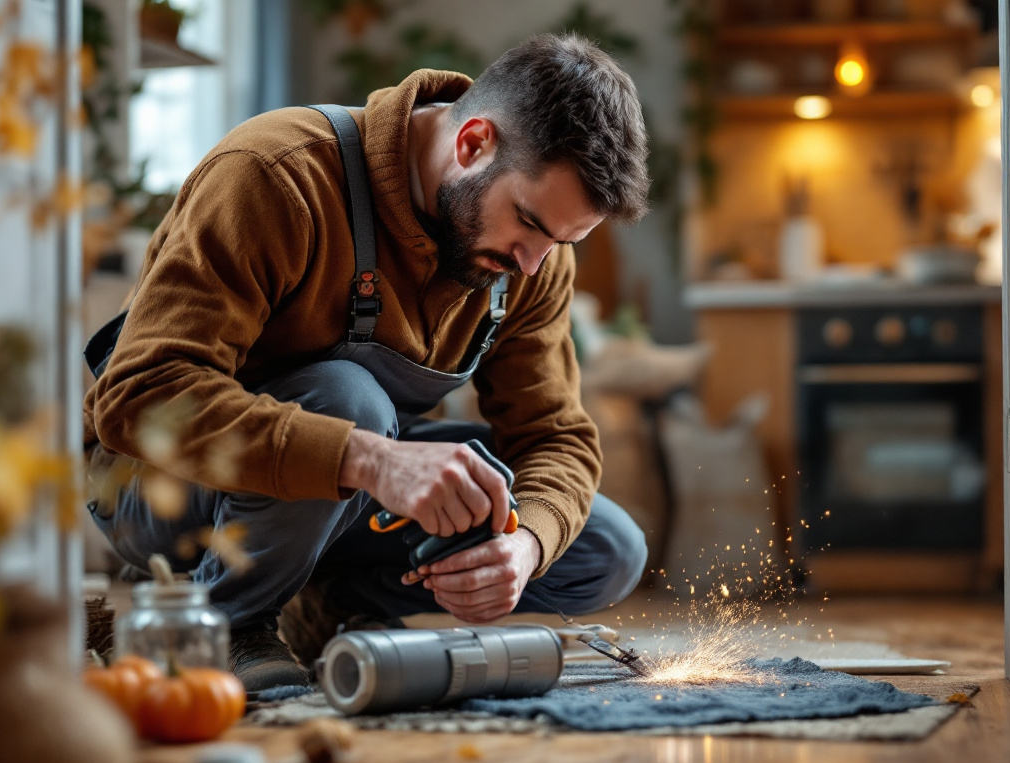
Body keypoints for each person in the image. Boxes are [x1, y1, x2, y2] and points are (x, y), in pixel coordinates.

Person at [84, 34, 650, 692]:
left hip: (340, 502)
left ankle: (328, 601)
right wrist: (372, 459)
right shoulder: (276, 174)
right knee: (349, 401)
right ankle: (228, 622)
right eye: (527, 223)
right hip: (161, 485)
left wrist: (524, 547)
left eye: (562, 241)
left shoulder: (533, 260)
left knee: (606, 547)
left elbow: (555, 437)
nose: (532, 264)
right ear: (473, 144)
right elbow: (139, 396)